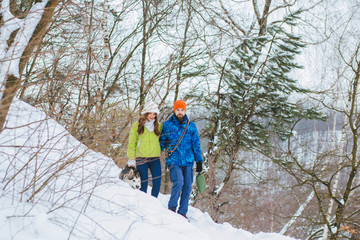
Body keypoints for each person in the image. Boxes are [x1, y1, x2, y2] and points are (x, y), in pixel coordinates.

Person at [159, 100, 203, 218]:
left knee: (188, 185)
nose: (180, 112)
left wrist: (199, 161)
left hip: (188, 161)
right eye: (178, 110)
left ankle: (183, 212)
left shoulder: (191, 126)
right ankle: (172, 208)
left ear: (185, 111)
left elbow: (196, 144)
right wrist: (153, 154)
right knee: (179, 182)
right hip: (174, 160)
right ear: (174, 110)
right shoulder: (167, 125)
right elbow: (162, 142)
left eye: (182, 110)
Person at [126, 100, 162, 197]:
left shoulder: (158, 126)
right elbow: (131, 143)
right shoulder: (136, 125)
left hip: (155, 158)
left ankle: (154, 203)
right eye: (149, 113)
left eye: (154, 113)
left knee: (157, 182)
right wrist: (131, 159)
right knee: (144, 183)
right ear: (145, 113)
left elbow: (163, 140)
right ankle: (143, 204)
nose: (152, 115)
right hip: (141, 158)